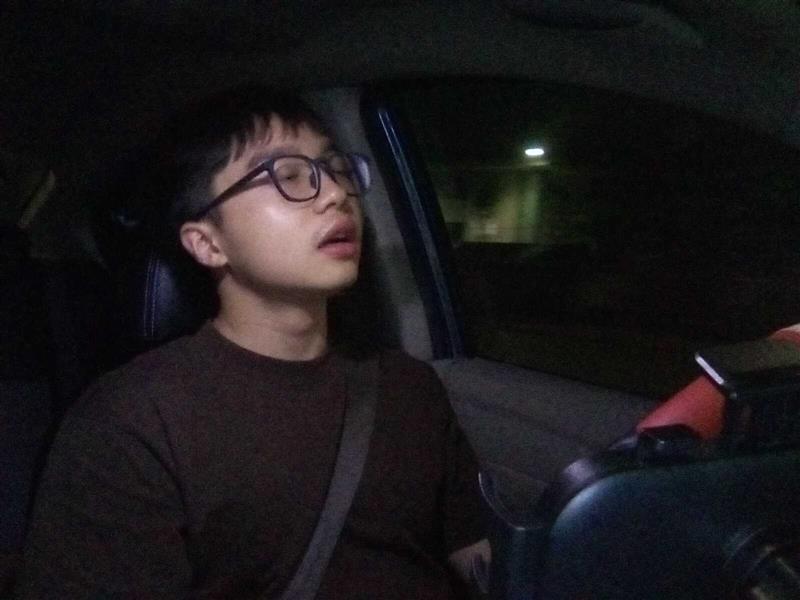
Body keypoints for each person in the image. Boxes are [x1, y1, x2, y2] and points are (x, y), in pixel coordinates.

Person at [16, 86, 489, 599]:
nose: (335, 193)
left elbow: (477, 553)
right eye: (287, 176)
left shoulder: (409, 386)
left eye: (336, 169)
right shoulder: (132, 423)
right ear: (207, 243)